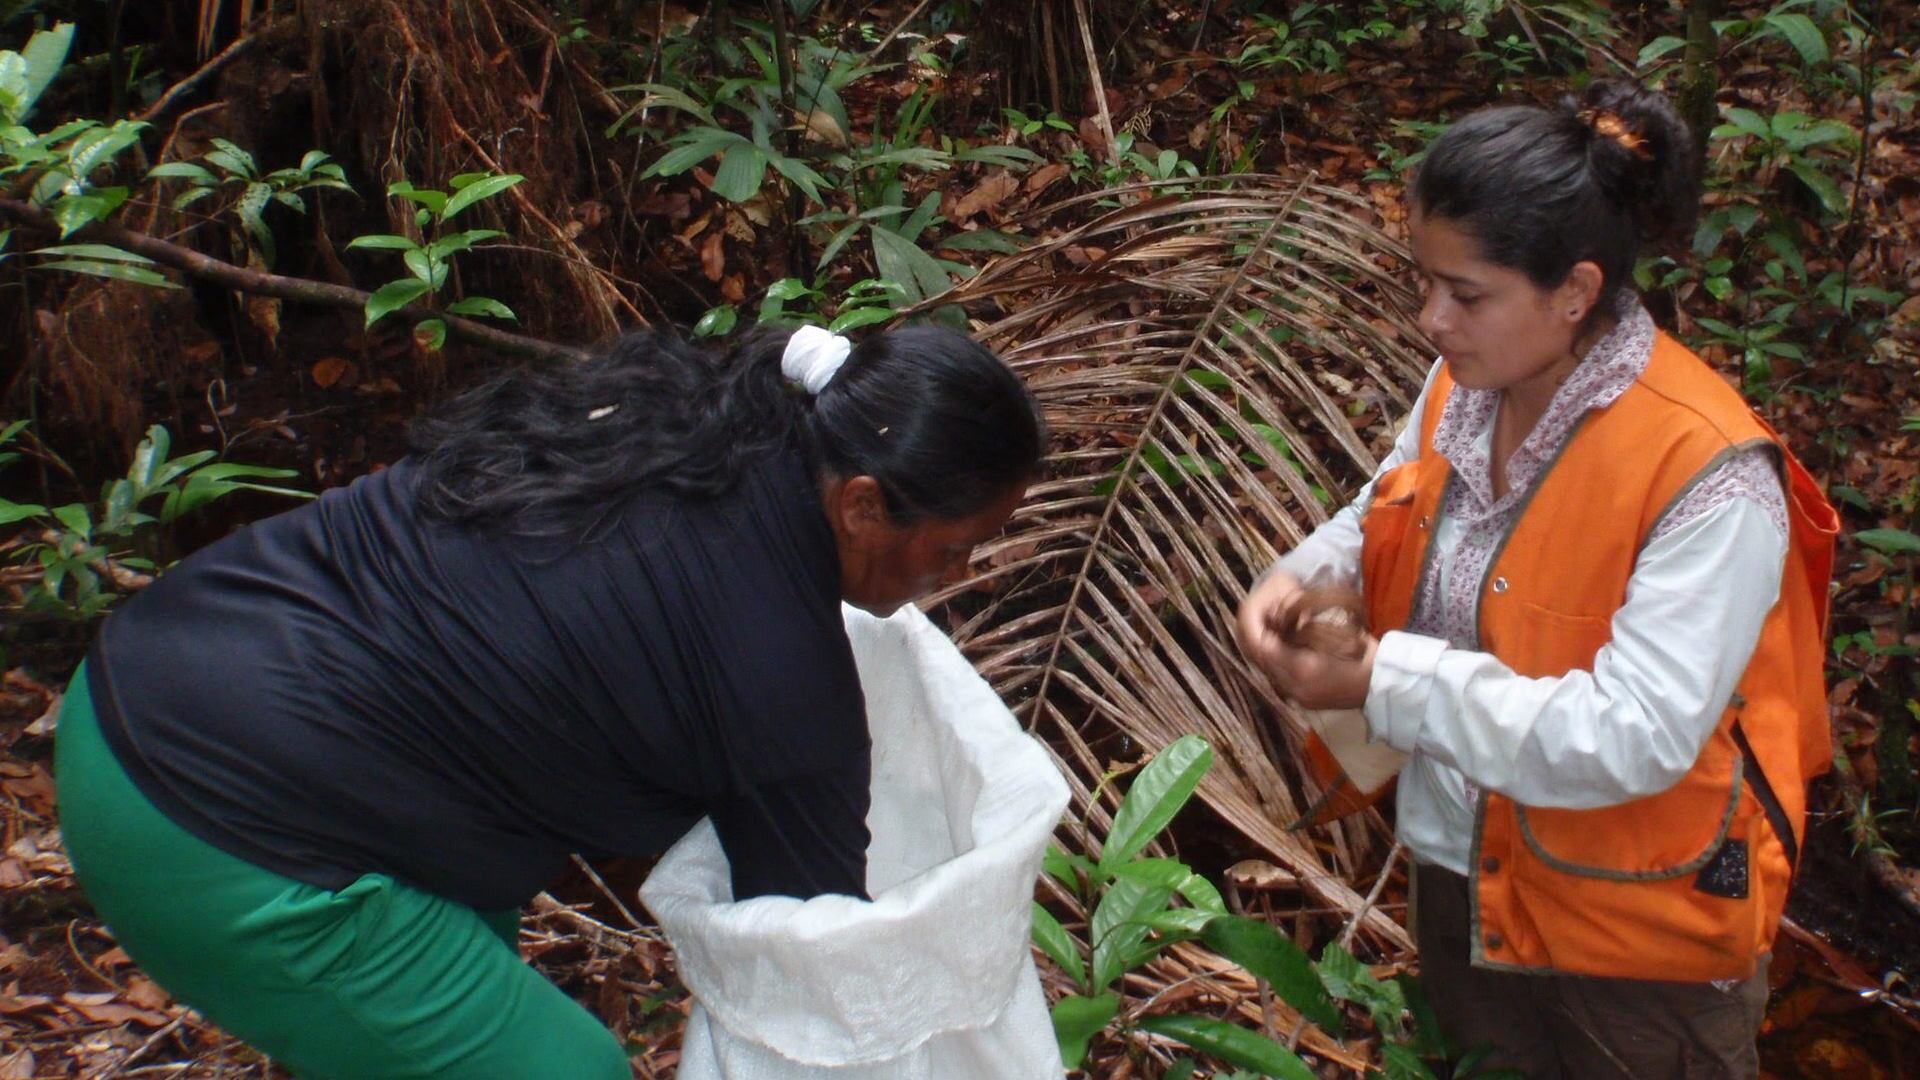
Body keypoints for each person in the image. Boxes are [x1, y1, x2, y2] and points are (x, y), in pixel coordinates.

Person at [54, 323, 1046, 1080]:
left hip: (153, 670)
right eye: (953, 548)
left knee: (470, 974)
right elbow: (825, 966)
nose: (951, 577)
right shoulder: (786, 687)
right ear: (864, 503)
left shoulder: (708, 412)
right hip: (209, 832)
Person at [1236, 78, 1837, 1078]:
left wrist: (1382, 681)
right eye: (1423, 280)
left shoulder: (1711, 474)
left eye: (1466, 294)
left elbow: (1636, 731)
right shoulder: (1463, 388)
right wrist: (1301, 576)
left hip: (1643, 932)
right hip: (1465, 874)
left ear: (1577, 290)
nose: (1431, 318)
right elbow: (1387, 505)